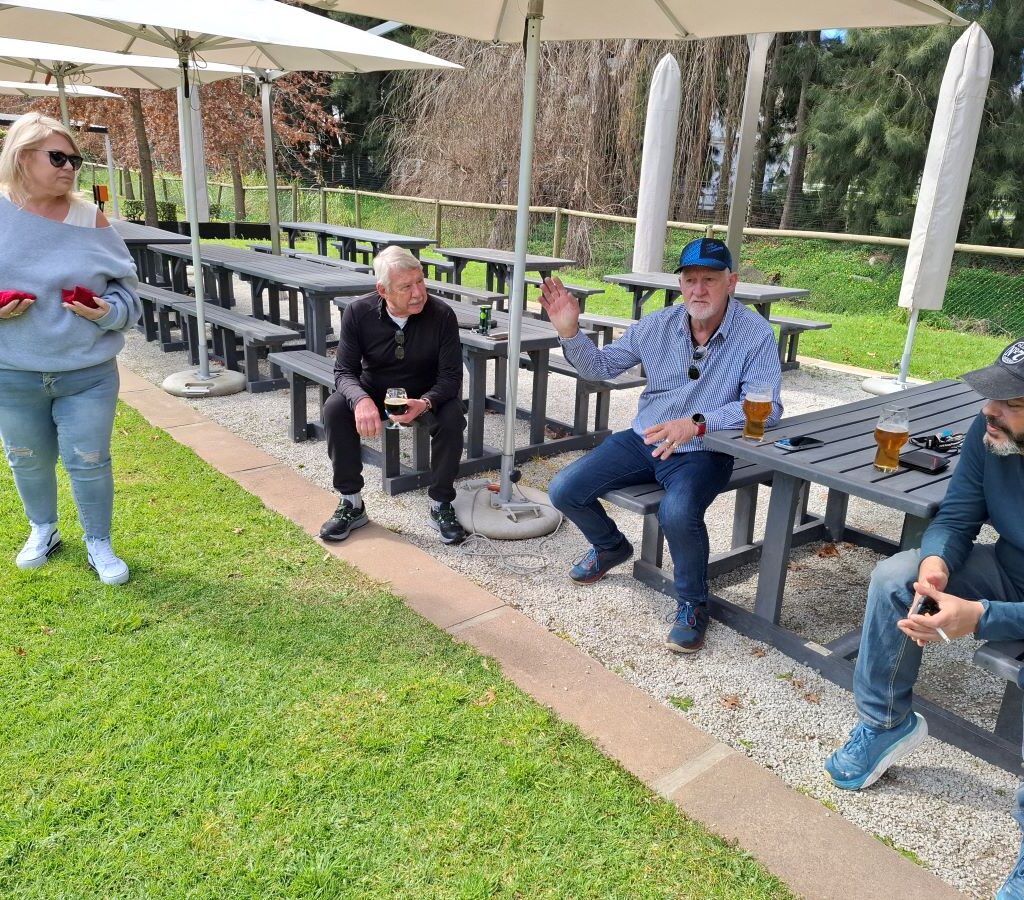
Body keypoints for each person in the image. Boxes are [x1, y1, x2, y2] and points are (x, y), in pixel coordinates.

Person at [821, 340, 1024, 899]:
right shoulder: (990, 435)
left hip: (1003, 595)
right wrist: (936, 563)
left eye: (1008, 401)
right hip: (1010, 568)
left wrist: (980, 616)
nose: (989, 411)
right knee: (896, 577)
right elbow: (957, 516)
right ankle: (887, 723)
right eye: (990, 396)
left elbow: (980, 616)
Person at [539, 237, 783, 653]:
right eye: (690, 280)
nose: (698, 290)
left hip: (705, 450)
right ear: (680, 284)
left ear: (732, 282)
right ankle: (611, 546)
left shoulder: (755, 334)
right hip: (645, 437)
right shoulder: (658, 325)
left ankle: (692, 603)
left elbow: (767, 408)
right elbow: (600, 368)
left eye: (710, 279)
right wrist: (570, 332)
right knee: (564, 489)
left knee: (678, 511)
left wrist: (698, 423)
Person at [0, 112, 142, 585]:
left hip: (88, 373)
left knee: (89, 459)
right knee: (25, 456)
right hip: (12, 373)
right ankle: (44, 529)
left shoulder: (90, 218)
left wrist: (105, 313)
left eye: (76, 160)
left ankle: (98, 541)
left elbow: (128, 297)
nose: (70, 168)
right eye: (58, 157)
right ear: (22, 157)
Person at [319, 245, 467, 545]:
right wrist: (360, 400)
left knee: (452, 416)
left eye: (420, 282)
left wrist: (426, 402)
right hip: (374, 389)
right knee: (335, 408)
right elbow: (344, 372)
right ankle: (351, 503)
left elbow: (451, 377)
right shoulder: (358, 312)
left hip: (425, 393)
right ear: (382, 290)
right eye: (406, 287)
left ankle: (440, 503)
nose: (418, 293)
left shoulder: (442, 315)